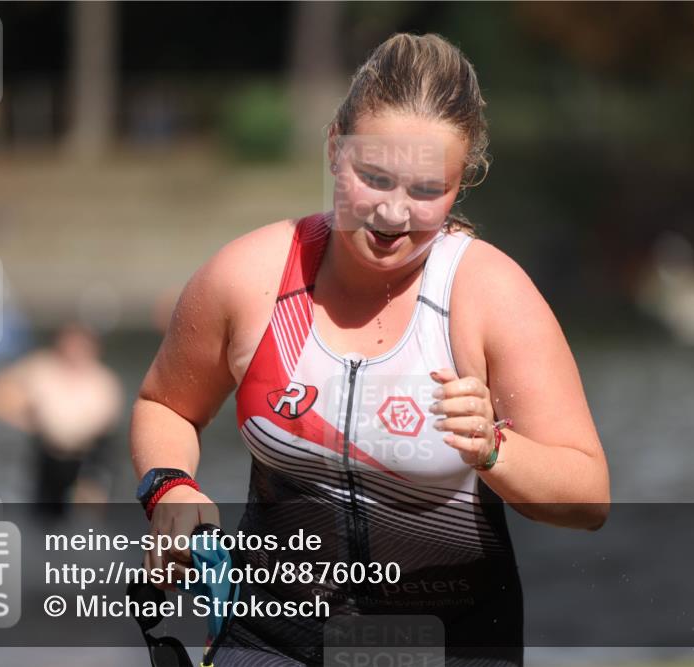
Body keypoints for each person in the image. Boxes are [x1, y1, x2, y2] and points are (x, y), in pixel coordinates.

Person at [131, 33, 610, 666]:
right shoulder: (249, 278)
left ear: (460, 179)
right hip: (271, 641)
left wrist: (496, 449)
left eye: (424, 190)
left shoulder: (490, 296)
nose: (391, 213)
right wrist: (171, 489)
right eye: (373, 177)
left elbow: (589, 498)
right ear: (335, 149)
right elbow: (166, 404)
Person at [0, 322, 123, 514]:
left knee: (88, 511)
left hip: (88, 458)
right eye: (71, 344)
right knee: (42, 513)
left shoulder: (102, 380)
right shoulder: (40, 369)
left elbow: (106, 423)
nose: (76, 350)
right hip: (45, 455)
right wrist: (25, 419)